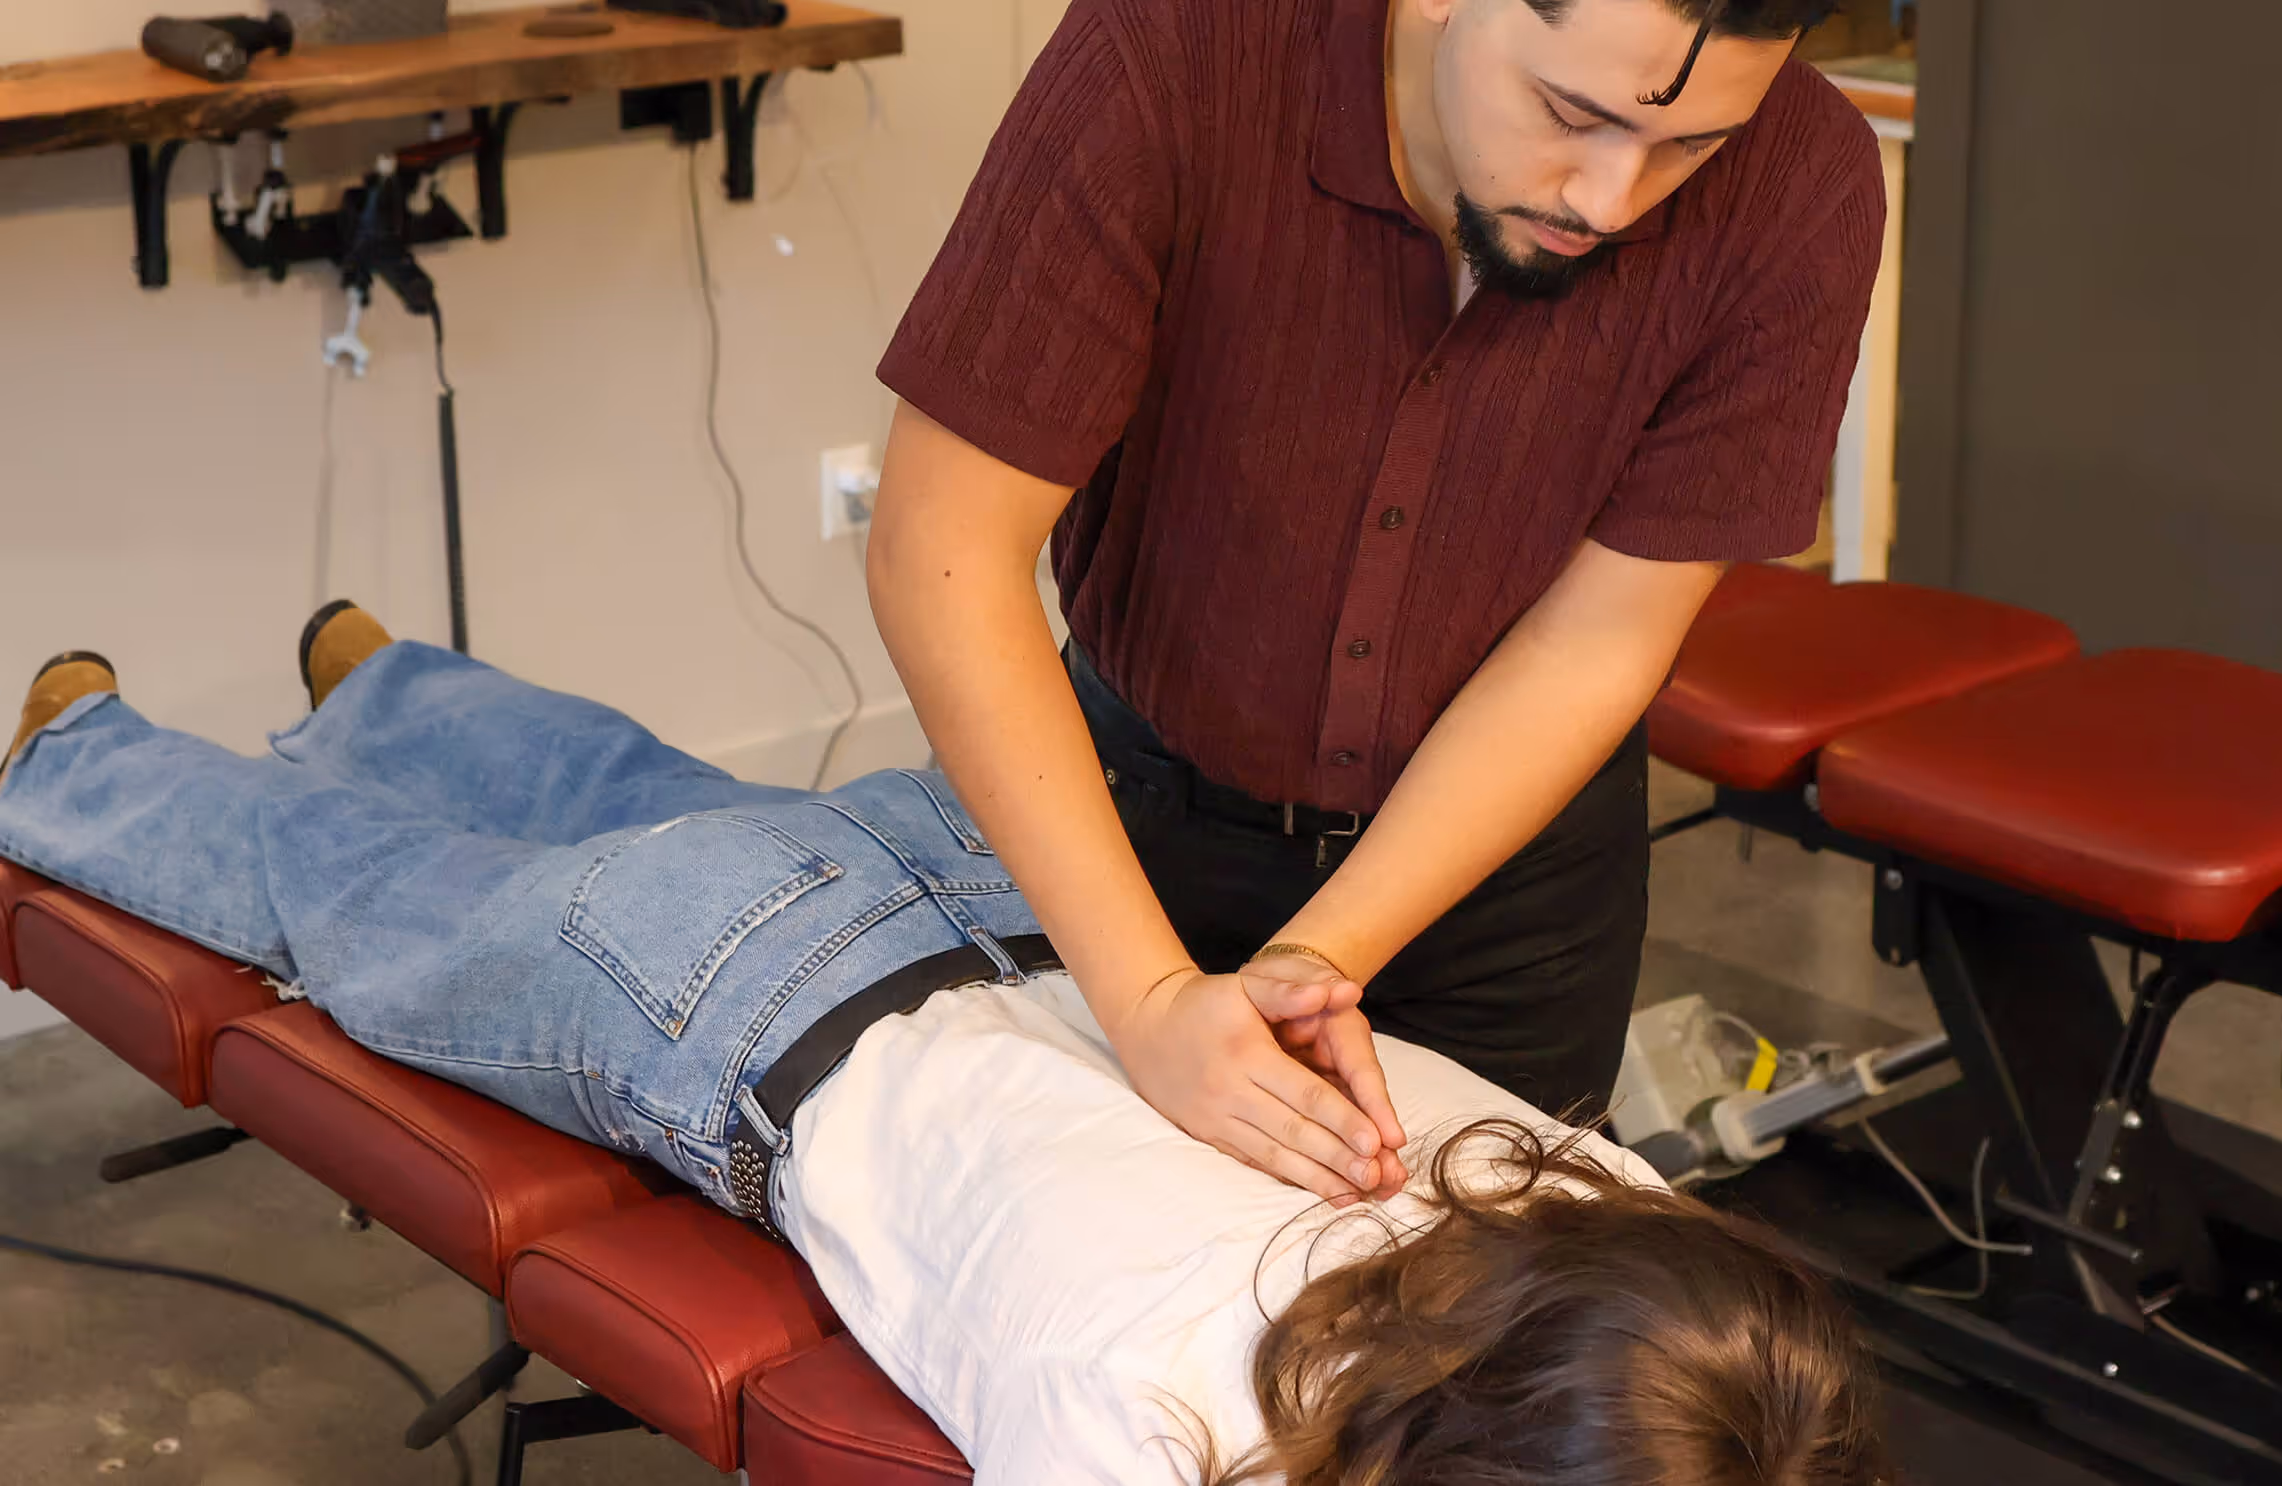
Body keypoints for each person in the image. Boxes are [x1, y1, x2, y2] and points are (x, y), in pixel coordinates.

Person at [0, 618, 1887, 1483]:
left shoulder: (1597, 1210)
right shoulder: (1156, 1428)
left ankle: (385, 681)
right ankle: (75, 753)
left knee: (641, 791)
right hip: (738, 1005)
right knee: (360, 905)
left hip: (1033, 893)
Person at [863, 0, 1887, 1207]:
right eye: (1570, 113)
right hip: (1121, 831)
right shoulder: (1176, 52)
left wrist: (1317, 960)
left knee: (1486, 1306)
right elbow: (943, 554)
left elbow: (1600, 637)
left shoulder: (1803, 179)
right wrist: (1149, 999)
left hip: (1509, 885)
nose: (1610, 202)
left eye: (1690, 147)